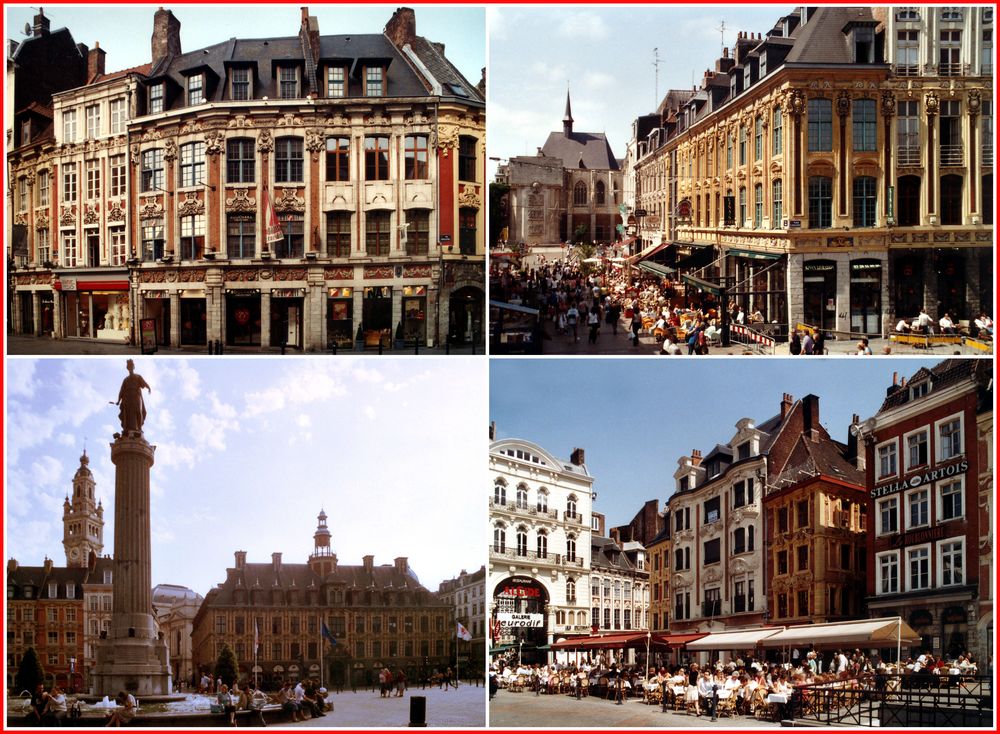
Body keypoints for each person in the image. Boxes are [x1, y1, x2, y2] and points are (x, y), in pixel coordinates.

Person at [116, 359, 152, 435]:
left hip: (136, 395)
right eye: (129, 366)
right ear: (127, 368)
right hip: (127, 397)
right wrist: (119, 400)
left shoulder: (138, 376)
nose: (130, 367)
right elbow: (122, 390)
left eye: (131, 366)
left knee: (138, 411)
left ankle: (139, 429)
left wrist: (148, 387)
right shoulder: (125, 380)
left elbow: (144, 383)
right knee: (128, 413)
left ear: (133, 367)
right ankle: (127, 429)